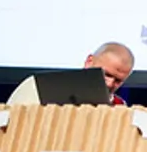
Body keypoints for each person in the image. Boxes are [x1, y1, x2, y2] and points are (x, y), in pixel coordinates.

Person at [7, 41, 135, 105]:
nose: (110, 83)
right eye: (106, 74)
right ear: (89, 62)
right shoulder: (37, 87)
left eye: (118, 80)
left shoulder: (119, 108)